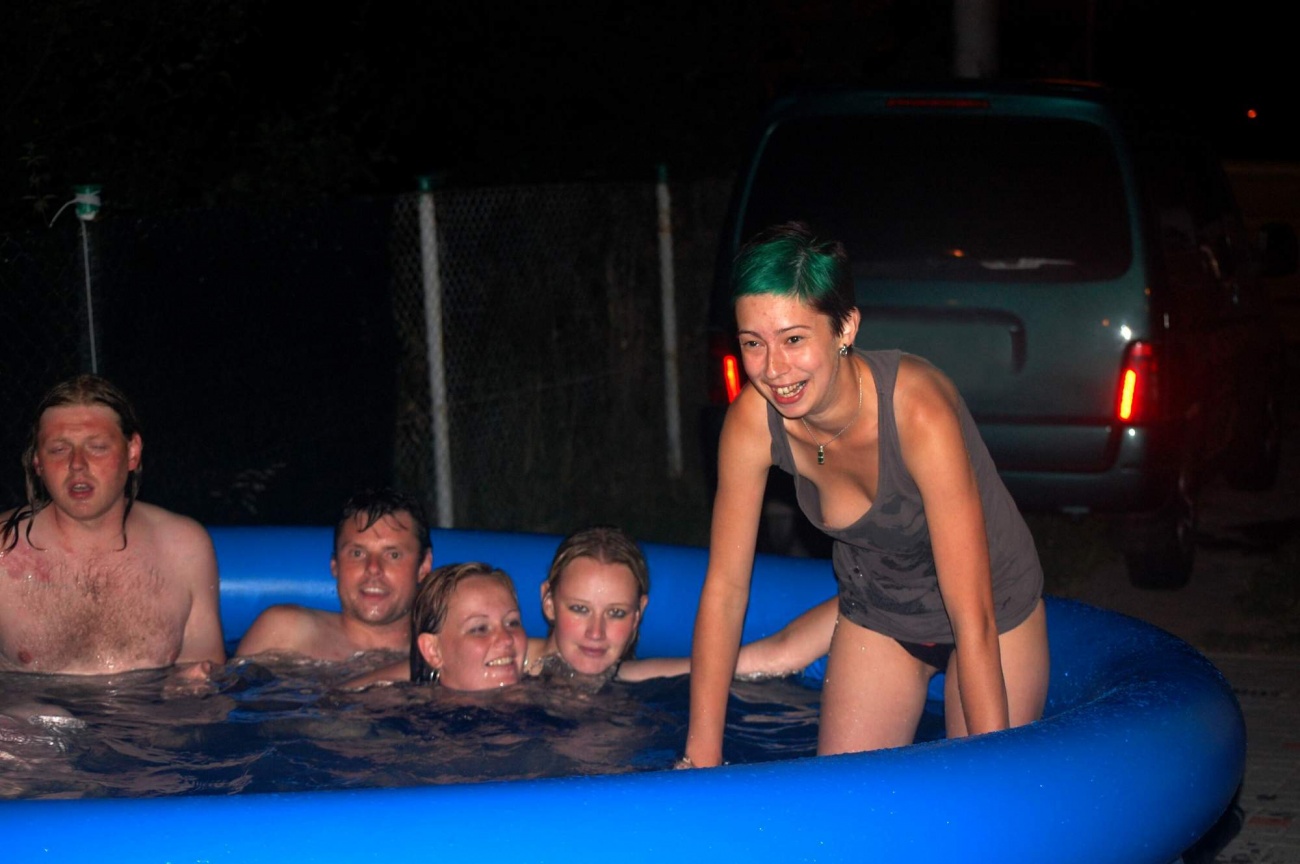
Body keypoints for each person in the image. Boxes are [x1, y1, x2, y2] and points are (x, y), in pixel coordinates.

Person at [684, 222, 1049, 768]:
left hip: (993, 612)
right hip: (879, 612)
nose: (773, 369)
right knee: (842, 802)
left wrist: (992, 772)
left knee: (978, 794)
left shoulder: (917, 412)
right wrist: (701, 753)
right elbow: (725, 590)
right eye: (753, 343)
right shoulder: (751, 425)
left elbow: (971, 616)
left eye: (794, 339)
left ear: (845, 327)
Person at [0, 374, 225, 674]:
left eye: (97, 447)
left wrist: (192, 687)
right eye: (58, 449)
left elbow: (204, 675)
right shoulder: (4, 551)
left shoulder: (184, 548)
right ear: (38, 462)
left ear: (132, 452)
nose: (77, 464)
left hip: (150, 706)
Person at [529, 525, 838, 684]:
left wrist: (864, 588)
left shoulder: (633, 679)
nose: (596, 632)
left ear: (638, 615)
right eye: (580, 609)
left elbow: (775, 655)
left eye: (616, 613)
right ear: (549, 602)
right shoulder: (509, 661)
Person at [235, 489, 433, 662]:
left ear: (423, 566)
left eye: (393, 555)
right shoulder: (284, 634)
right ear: (335, 564)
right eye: (357, 553)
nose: (373, 568)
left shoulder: (441, 654)